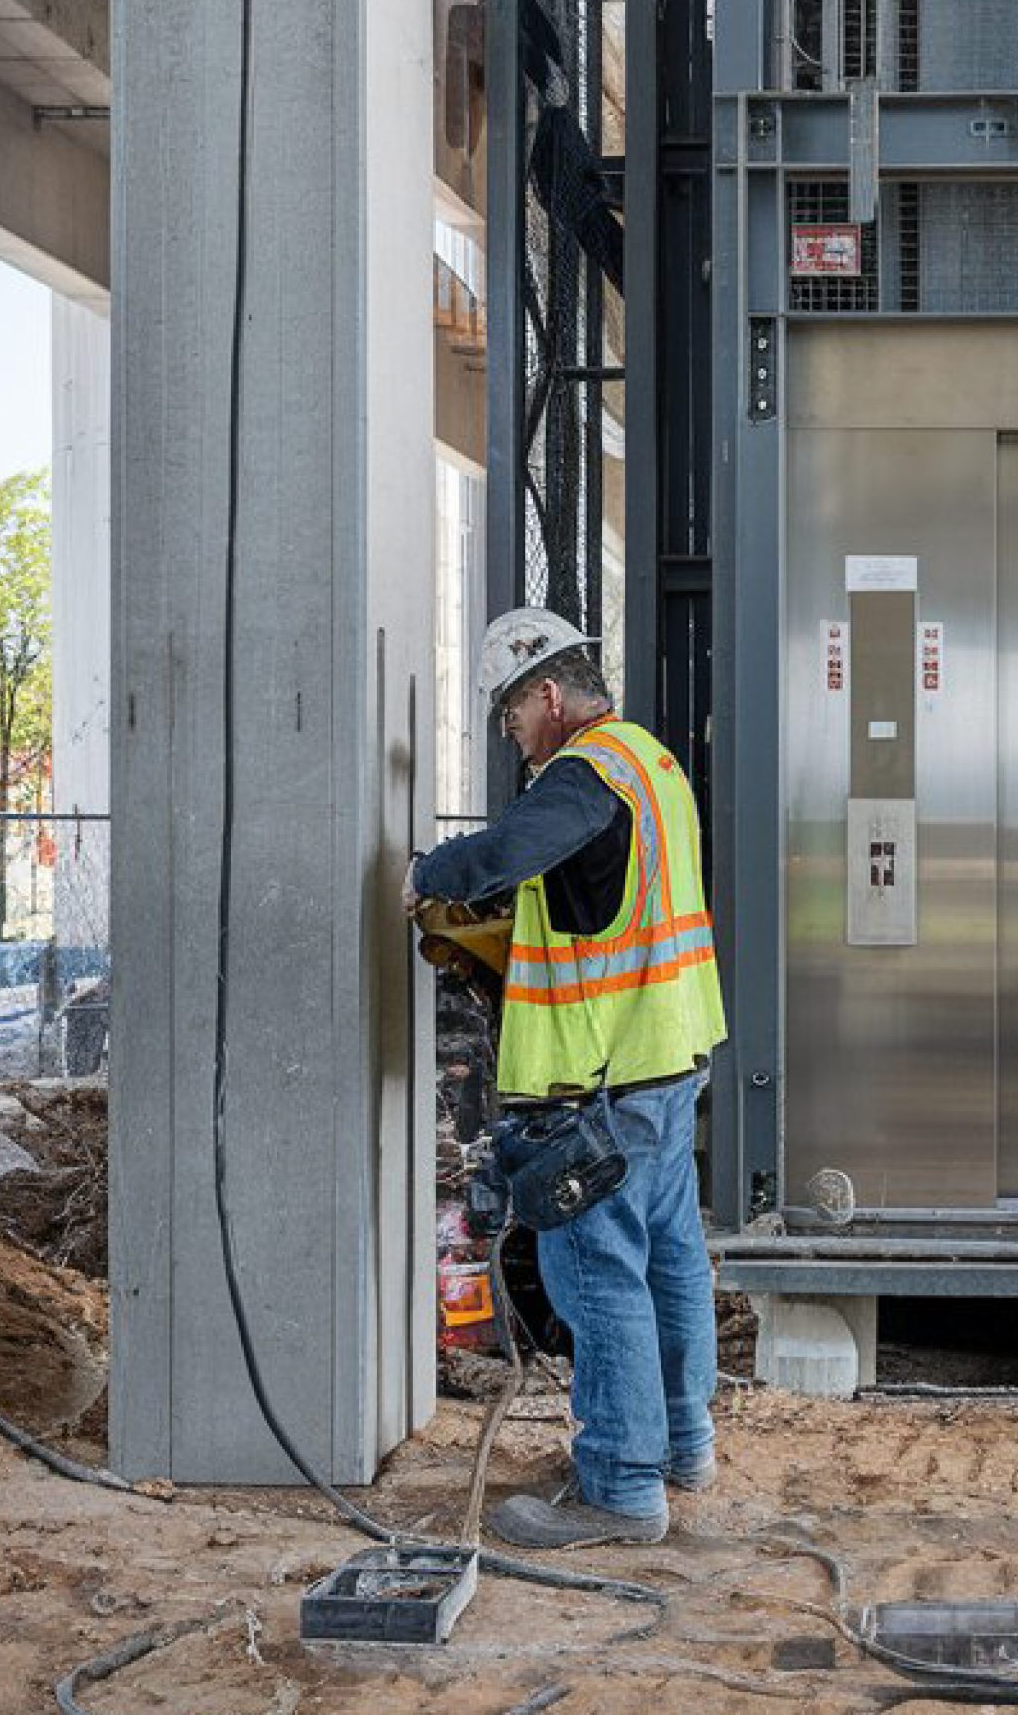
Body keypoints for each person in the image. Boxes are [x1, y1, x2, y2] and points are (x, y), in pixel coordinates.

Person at [405, 607, 728, 1547]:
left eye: (510, 713)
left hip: (598, 1077)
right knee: (669, 1260)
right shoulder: (649, 763)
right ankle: (680, 1446)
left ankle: (620, 1487)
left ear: (548, 695)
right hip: (665, 1058)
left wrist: (428, 873)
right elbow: (602, 903)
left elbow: (506, 852)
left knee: (598, 1276)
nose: (510, 732)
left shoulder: (584, 774)